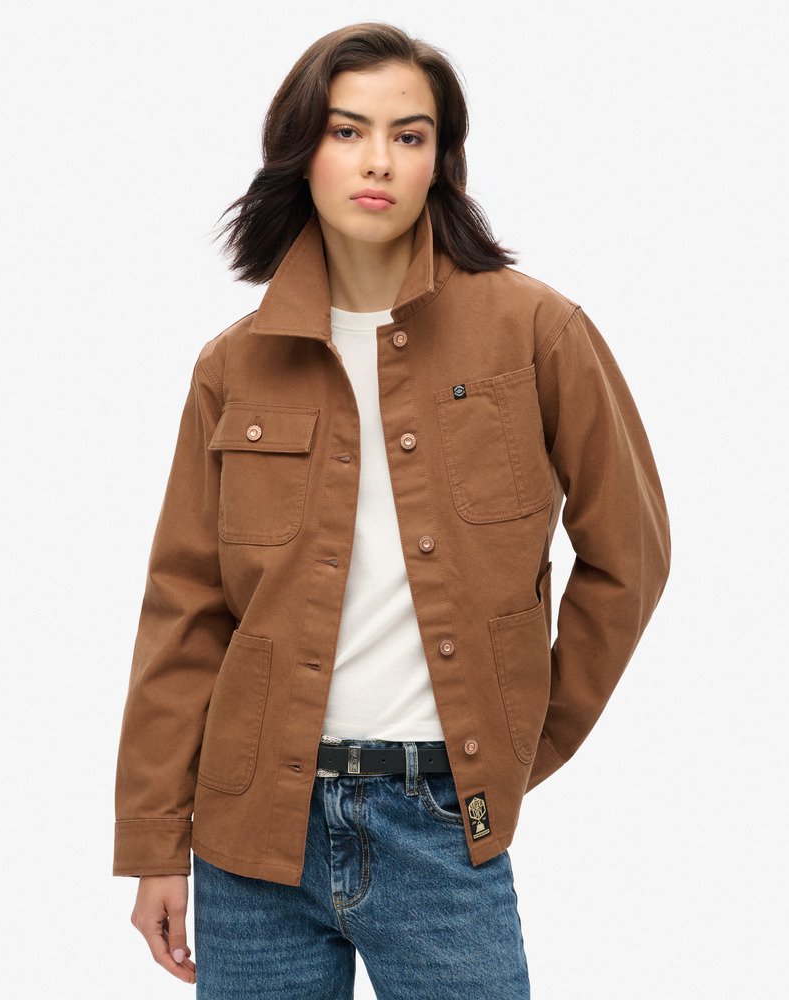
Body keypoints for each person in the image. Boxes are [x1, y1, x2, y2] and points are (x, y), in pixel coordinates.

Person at [113, 21, 671, 999]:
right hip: (251, 835)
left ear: (439, 161)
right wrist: (156, 843)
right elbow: (185, 608)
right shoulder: (233, 365)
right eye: (348, 130)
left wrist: (522, 735)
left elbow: (630, 553)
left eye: (409, 135)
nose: (378, 160)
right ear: (303, 151)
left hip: (441, 822)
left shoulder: (536, 331)